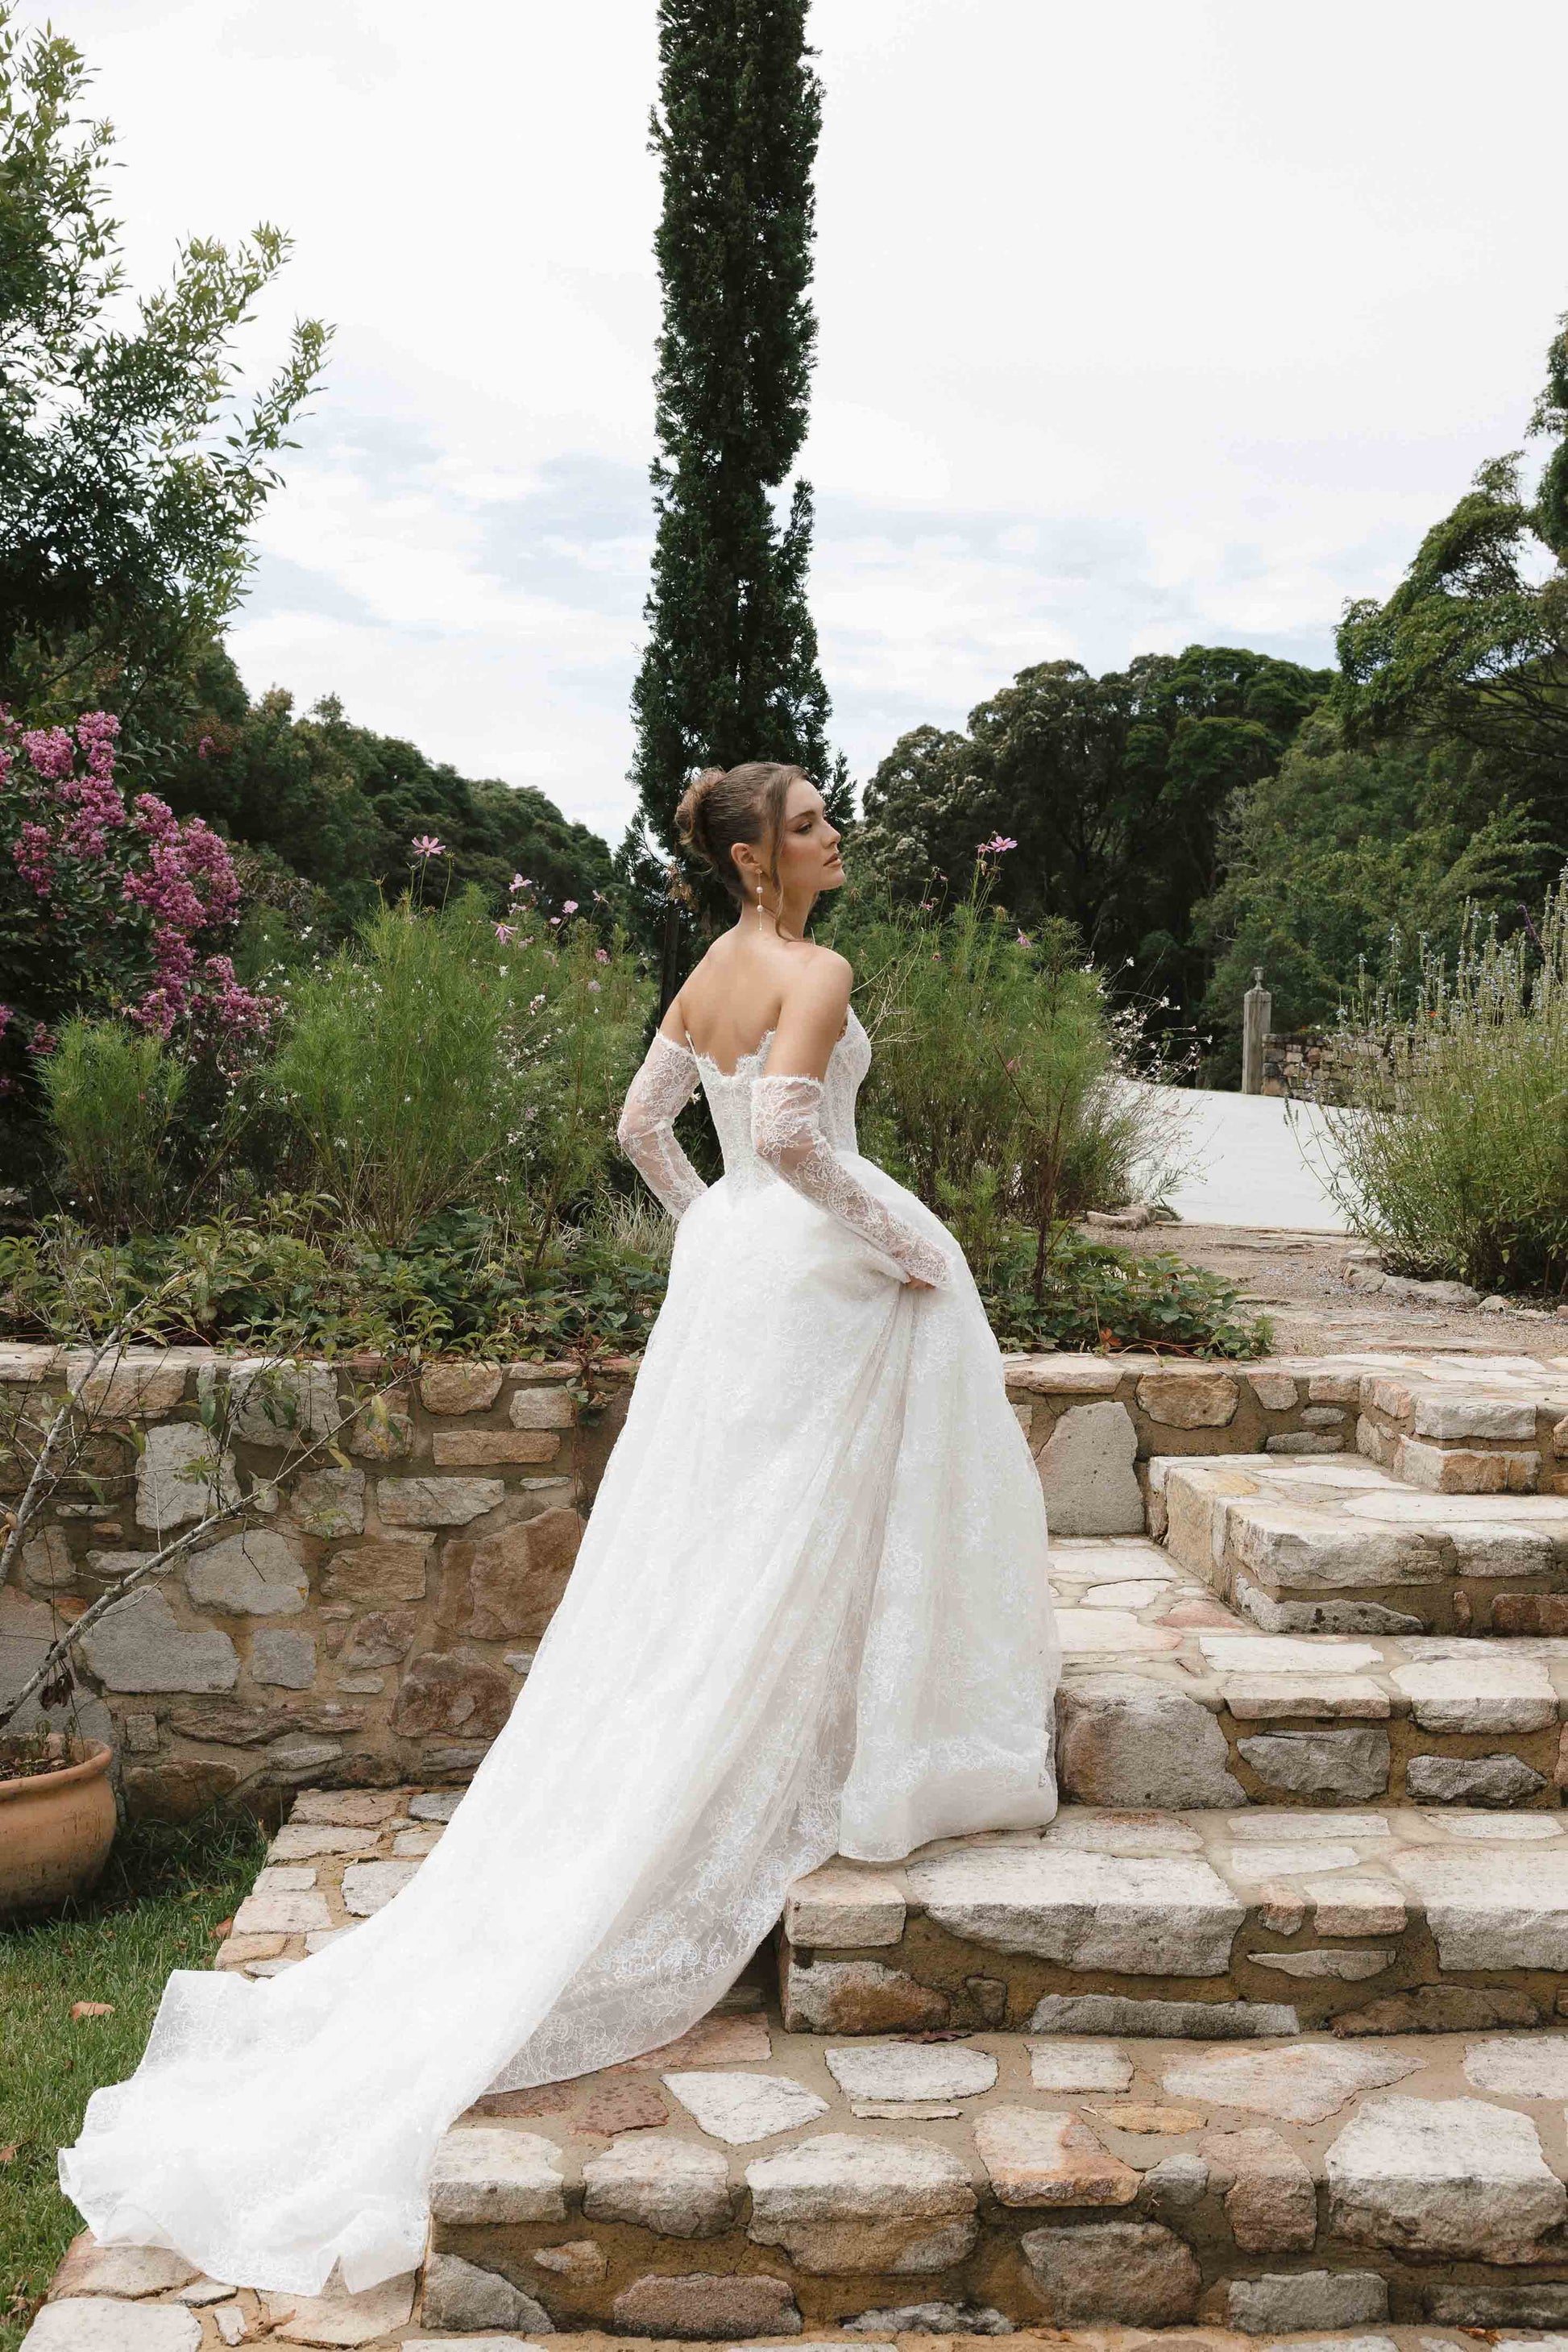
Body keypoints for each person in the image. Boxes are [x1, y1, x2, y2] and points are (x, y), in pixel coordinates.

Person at [60, 760, 1058, 2298]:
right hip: (813, 1272)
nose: (831, 833)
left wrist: (712, 1234)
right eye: (807, 820)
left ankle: (778, 1727)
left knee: (730, 1555)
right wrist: (899, 1237)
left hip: (742, 1285)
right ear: (749, 852)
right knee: (786, 1540)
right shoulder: (811, 965)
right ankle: (833, 1745)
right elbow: (792, 1132)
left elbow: (650, 1126)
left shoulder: (712, 968)